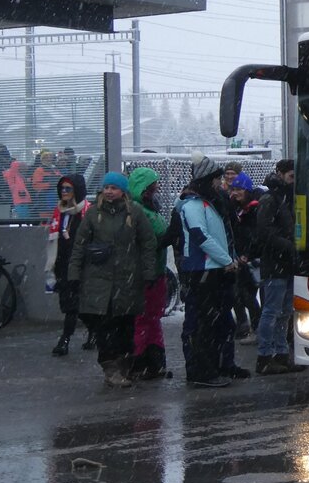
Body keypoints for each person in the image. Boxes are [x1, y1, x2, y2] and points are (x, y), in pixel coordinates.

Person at [67, 171, 157, 388]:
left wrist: (149, 273)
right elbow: (79, 245)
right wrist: (73, 274)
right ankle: (111, 370)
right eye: (106, 187)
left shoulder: (134, 213)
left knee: (125, 327)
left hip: (127, 281)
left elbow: (148, 243)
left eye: (113, 188)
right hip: (99, 282)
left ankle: (123, 367)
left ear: (122, 191)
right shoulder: (93, 213)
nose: (109, 192)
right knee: (105, 329)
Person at [178, 153, 249, 388]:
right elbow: (201, 237)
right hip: (203, 271)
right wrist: (226, 259)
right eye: (216, 180)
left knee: (222, 322)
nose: (220, 184)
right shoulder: (192, 205)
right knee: (203, 326)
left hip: (218, 270)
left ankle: (222, 365)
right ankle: (202, 371)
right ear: (207, 180)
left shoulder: (212, 203)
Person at [254, 159, 304, 374]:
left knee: (283, 312)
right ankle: (266, 356)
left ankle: (280, 354)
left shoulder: (283, 198)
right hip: (276, 263)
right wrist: (289, 246)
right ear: (281, 174)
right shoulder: (271, 199)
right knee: (273, 311)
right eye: (291, 176)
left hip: (285, 263)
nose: (293, 181)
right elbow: (265, 232)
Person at [128, 167, 171, 380]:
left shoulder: (146, 209)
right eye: (154, 186)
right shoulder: (139, 211)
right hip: (147, 273)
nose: (158, 189)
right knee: (146, 319)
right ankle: (144, 361)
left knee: (152, 318)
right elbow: (155, 236)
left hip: (155, 272)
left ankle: (151, 362)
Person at [46, 175, 91, 356]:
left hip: (80, 265)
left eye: (68, 189)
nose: (64, 192)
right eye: (62, 189)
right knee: (70, 305)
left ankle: (65, 339)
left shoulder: (86, 212)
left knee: (72, 305)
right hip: (62, 264)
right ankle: (93, 331)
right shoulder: (60, 213)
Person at [227, 172, 263, 343]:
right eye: (233, 189)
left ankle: (259, 330)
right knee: (243, 295)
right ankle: (256, 328)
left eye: (239, 189)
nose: (236, 193)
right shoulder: (235, 208)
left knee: (250, 295)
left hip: (254, 259)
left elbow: (256, 235)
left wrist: (248, 254)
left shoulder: (254, 208)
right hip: (242, 259)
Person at [31, 149, 62, 216]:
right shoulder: (39, 170)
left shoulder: (55, 170)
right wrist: (49, 184)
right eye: (47, 157)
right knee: (46, 221)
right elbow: (35, 186)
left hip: (56, 199)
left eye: (50, 157)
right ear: (43, 159)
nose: (49, 159)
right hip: (45, 201)